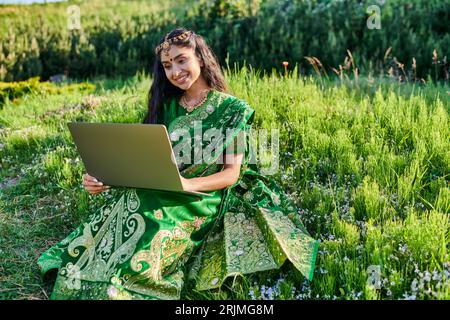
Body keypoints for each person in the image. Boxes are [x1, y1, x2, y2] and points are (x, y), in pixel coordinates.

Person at [37, 27, 319, 300]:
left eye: (181, 60)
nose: (174, 72)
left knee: (155, 224)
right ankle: (94, 279)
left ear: (200, 58)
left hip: (201, 196)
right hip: (160, 186)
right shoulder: (167, 105)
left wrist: (186, 184)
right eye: (167, 65)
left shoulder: (232, 110)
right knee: (133, 205)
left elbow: (231, 174)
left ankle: (126, 289)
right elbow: (143, 158)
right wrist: (105, 179)